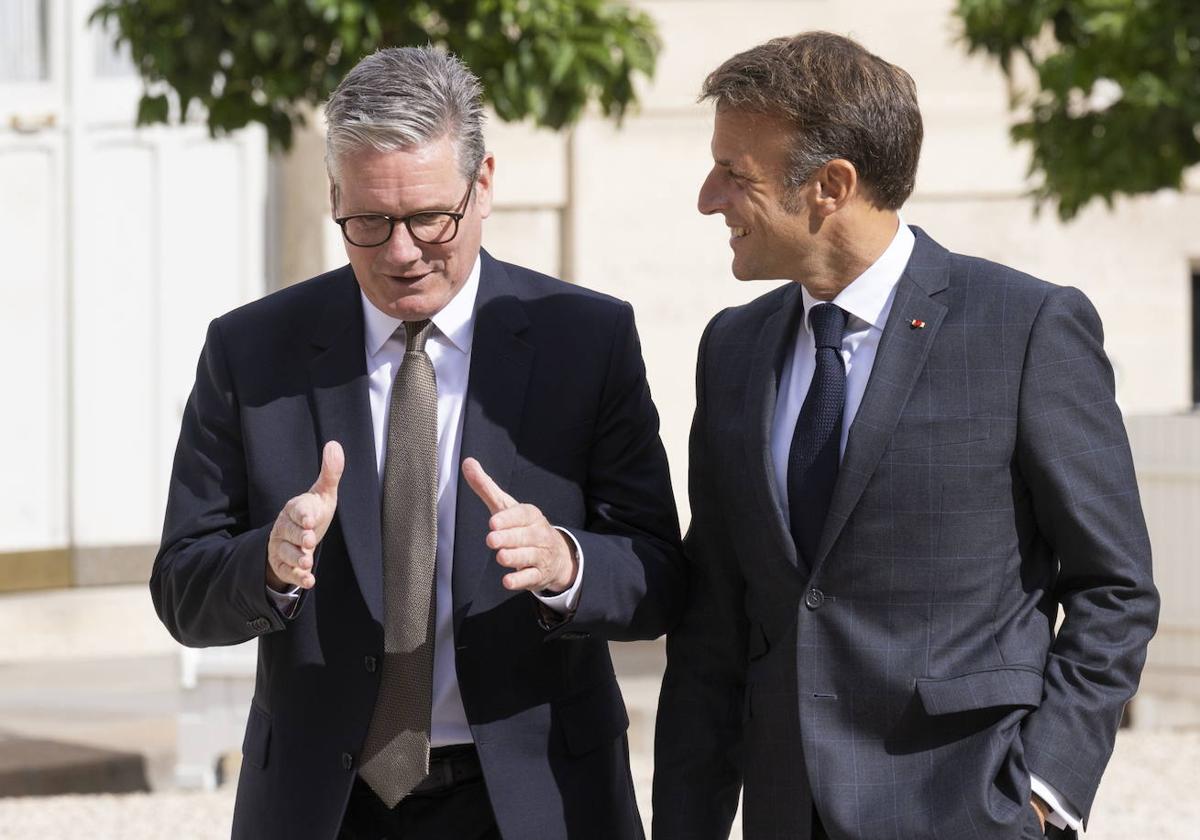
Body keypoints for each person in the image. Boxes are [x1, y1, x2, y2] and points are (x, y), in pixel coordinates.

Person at [151, 46, 683, 840]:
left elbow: (660, 574)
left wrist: (568, 563)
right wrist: (267, 563)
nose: (401, 252)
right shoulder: (251, 353)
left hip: (535, 801)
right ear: (335, 196)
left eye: (430, 217)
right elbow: (182, 589)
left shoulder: (588, 340)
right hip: (323, 806)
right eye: (367, 221)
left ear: (485, 186)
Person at [653, 32, 1158, 840]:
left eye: (734, 174)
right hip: (786, 814)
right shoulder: (732, 350)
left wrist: (1042, 795)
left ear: (830, 186)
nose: (708, 197)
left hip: (968, 809)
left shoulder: (1026, 326)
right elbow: (715, 621)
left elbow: (1114, 587)